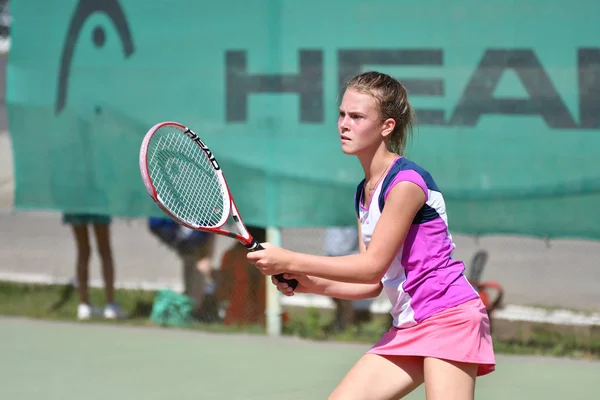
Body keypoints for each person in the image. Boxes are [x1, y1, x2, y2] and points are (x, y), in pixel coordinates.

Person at [247, 71, 495, 400]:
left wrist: (289, 257)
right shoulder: (364, 192)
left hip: (448, 316)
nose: (344, 124)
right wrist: (306, 281)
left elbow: (371, 266)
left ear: (386, 126)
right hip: (409, 322)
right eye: (342, 114)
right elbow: (369, 284)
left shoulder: (406, 183)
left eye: (357, 116)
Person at [63, 213, 124, 320]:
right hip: (97, 202)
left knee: (83, 251)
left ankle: (84, 305)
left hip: (76, 203)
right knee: (104, 250)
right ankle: (109, 305)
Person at [216, 226, 267, 326]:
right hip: (248, 304)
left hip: (238, 304)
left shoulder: (231, 254)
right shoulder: (259, 256)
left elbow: (223, 281)